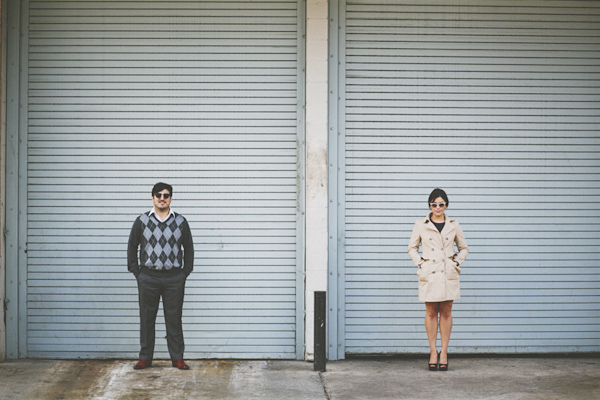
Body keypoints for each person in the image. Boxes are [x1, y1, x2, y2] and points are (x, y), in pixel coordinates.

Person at [128, 182, 194, 370]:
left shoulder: (181, 221)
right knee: (147, 318)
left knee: (174, 318)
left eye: (166, 195)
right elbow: (132, 246)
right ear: (152, 198)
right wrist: (137, 272)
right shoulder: (141, 221)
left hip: (174, 278)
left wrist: (184, 272)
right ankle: (145, 357)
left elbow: (188, 248)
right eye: (158, 195)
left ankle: (177, 358)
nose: (162, 198)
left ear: (171, 198)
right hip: (148, 277)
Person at [408, 188, 468, 371]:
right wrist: (421, 264)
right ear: (430, 205)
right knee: (431, 311)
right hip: (430, 272)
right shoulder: (420, 224)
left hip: (447, 272)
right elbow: (412, 247)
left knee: (447, 311)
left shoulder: (454, 224)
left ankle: (444, 352)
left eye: (441, 204)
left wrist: (455, 262)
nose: (438, 207)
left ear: (446, 205)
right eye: (434, 204)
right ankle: (433, 351)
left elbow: (464, 247)